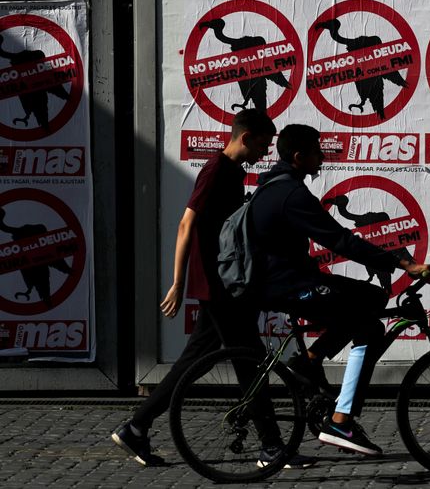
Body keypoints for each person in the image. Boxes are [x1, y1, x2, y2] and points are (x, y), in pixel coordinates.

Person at [112, 110, 314, 469]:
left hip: (222, 284)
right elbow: (186, 224)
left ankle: (137, 427)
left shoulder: (233, 172)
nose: (266, 153)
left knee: (193, 363)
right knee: (249, 363)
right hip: (220, 287)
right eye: (264, 145)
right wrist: (177, 282)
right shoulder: (216, 170)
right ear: (246, 137)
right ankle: (270, 447)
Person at [249, 124, 430, 456]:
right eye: (317, 153)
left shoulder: (274, 186)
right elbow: (339, 240)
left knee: (371, 306)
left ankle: (311, 361)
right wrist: (402, 263)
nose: (322, 159)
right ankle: (340, 420)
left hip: (288, 281)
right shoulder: (290, 193)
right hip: (288, 287)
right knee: (371, 316)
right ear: (298, 156)